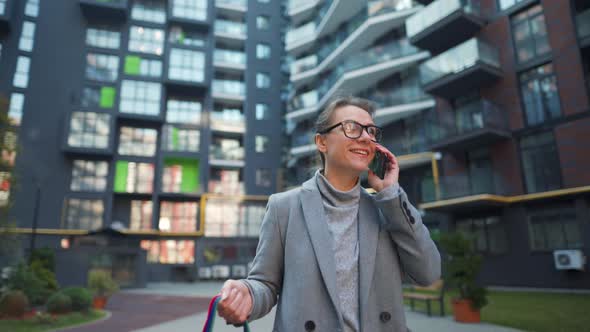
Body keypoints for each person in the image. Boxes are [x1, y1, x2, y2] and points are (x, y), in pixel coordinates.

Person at [217, 96, 441, 332]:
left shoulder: (388, 208)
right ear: (321, 142)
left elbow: (428, 273)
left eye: (371, 131)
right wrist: (248, 296)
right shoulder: (284, 207)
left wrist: (391, 193)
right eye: (352, 128)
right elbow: (265, 283)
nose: (366, 137)